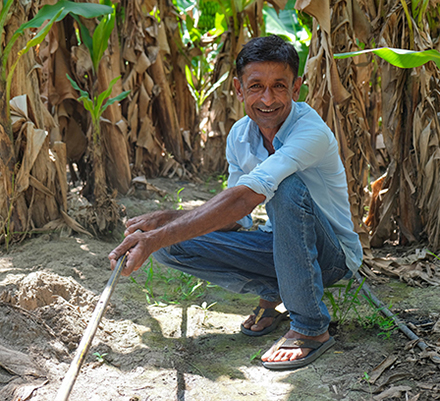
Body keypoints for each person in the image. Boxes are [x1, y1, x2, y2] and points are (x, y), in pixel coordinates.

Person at [109, 35, 363, 370]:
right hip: (281, 248)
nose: (267, 99)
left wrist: (155, 236)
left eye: (279, 86)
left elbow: (246, 197)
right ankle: (278, 289)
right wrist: (167, 223)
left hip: (331, 258)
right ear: (239, 89)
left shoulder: (310, 132)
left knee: (285, 187)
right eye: (256, 86)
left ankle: (311, 327)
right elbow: (235, 219)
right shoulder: (240, 135)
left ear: (296, 88)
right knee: (173, 245)